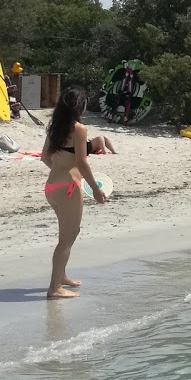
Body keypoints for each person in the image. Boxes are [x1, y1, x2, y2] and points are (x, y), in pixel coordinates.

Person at [40, 86, 107, 299]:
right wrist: (95, 188)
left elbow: (44, 157)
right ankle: (54, 288)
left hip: (52, 186)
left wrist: (60, 173)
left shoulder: (55, 128)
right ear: (81, 106)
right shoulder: (79, 129)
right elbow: (81, 162)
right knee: (66, 239)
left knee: (70, 233)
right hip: (69, 187)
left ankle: (62, 276)